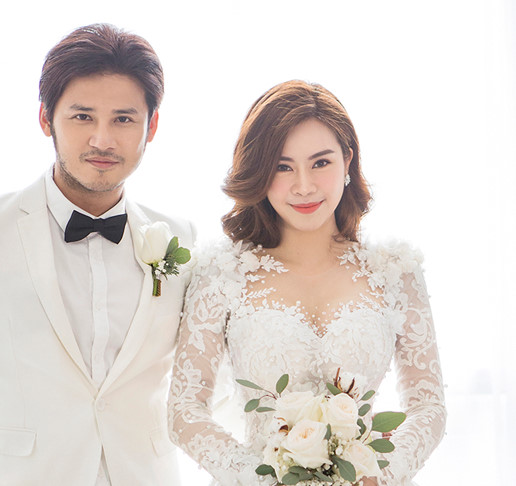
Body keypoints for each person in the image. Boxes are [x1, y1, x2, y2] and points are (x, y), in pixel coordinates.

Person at [0, 23, 194, 486]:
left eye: (123, 119)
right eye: (82, 116)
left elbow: (209, 388)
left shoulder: (180, 239)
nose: (103, 140)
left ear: (153, 126)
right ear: (46, 119)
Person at [167, 80, 445, 485]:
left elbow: (428, 406)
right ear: (260, 172)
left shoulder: (395, 271)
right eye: (283, 166)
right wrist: (264, 478)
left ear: (347, 161)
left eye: (320, 163)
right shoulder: (221, 274)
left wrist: (379, 476)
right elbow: (184, 411)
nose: (304, 186)